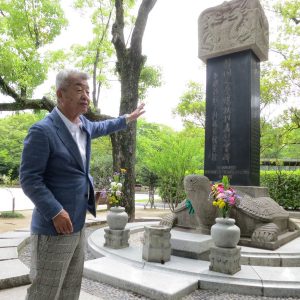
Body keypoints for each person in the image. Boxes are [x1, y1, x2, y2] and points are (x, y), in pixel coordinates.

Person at [20, 69, 145, 300]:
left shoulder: (84, 125)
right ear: (60, 94)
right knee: (44, 292)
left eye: (87, 90)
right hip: (53, 228)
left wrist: (127, 118)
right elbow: (29, 179)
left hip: (78, 224)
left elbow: (104, 127)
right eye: (79, 90)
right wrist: (55, 211)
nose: (86, 95)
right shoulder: (42, 131)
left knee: (70, 289)